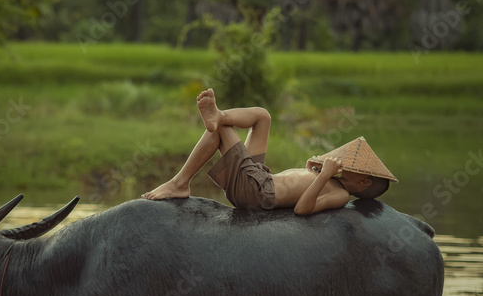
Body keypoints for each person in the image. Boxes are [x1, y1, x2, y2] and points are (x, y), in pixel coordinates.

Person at [141, 88, 397, 215]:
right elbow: (295, 182)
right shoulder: (332, 181)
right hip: (261, 177)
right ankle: (219, 115)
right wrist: (313, 169)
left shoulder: (340, 195)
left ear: (362, 181)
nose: (342, 162)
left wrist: (322, 176)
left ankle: (179, 183)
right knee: (263, 116)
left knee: (221, 130)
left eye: (349, 163)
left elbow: (303, 209)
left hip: (257, 191)